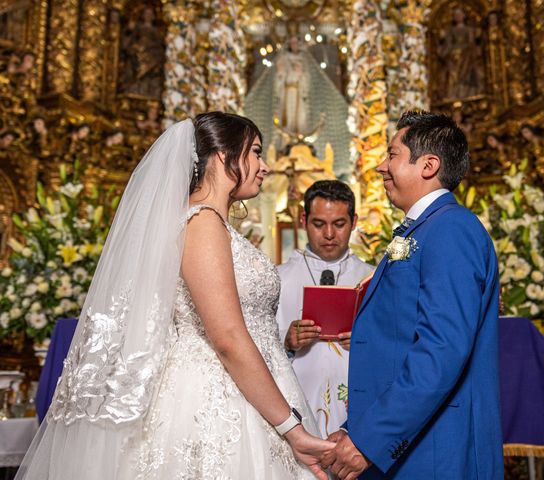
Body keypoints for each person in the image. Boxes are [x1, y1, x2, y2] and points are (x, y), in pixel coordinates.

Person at [16, 112, 333, 479]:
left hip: (253, 388)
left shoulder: (209, 224)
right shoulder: (202, 224)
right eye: (256, 153)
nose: (264, 167)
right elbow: (227, 336)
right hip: (216, 400)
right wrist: (290, 428)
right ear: (221, 156)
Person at [322, 111, 503, 479]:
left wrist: (371, 439)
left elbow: (441, 349)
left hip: (435, 449)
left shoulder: (451, 229)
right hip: (409, 443)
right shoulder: (423, 229)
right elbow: (396, 341)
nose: (380, 166)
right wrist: (356, 427)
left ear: (428, 165)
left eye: (392, 155)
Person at [276, 180, 373, 438]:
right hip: (295, 405)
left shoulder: (373, 279)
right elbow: (253, 344)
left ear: (354, 221)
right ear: (303, 220)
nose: (329, 234)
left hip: (357, 409)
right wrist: (286, 341)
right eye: (318, 224)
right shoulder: (278, 279)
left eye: (339, 224)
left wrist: (368, 343)